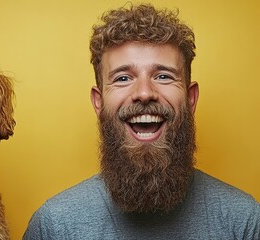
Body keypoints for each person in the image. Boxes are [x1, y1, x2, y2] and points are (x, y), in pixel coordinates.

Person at [23, 3, 260, 240]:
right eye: (123, 78)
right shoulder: (54, 227)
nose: (145, 93)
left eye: (163, 76)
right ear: (99, 101)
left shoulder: (245, 223)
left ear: (190, 99)